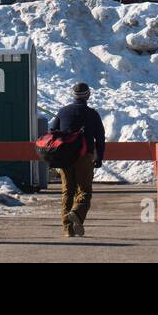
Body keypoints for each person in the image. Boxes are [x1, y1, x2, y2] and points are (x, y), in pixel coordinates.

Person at [48, 81, 106, 238]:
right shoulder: (92, 114)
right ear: (88, 95)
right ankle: (76, 212)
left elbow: (53, 132)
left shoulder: (63, 111)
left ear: (73, 95)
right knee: (85, 191)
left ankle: (68, 229)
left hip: (65, 158)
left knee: (68, 191)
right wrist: (99, 156)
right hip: (83, 157)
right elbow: (100, 138)